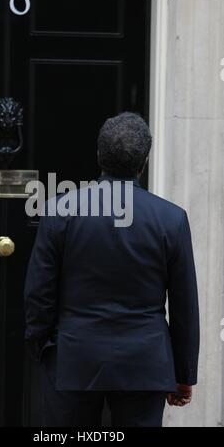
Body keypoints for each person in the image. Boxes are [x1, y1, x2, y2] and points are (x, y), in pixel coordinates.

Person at [24, 112, 200, 427]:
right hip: (145, 362)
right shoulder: (171, 219)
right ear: (144, 161)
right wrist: (184, 373)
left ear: (99, 156)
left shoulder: (60, 212)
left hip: (73, 358)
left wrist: (45, 351)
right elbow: (185, 304)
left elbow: (38, 294)